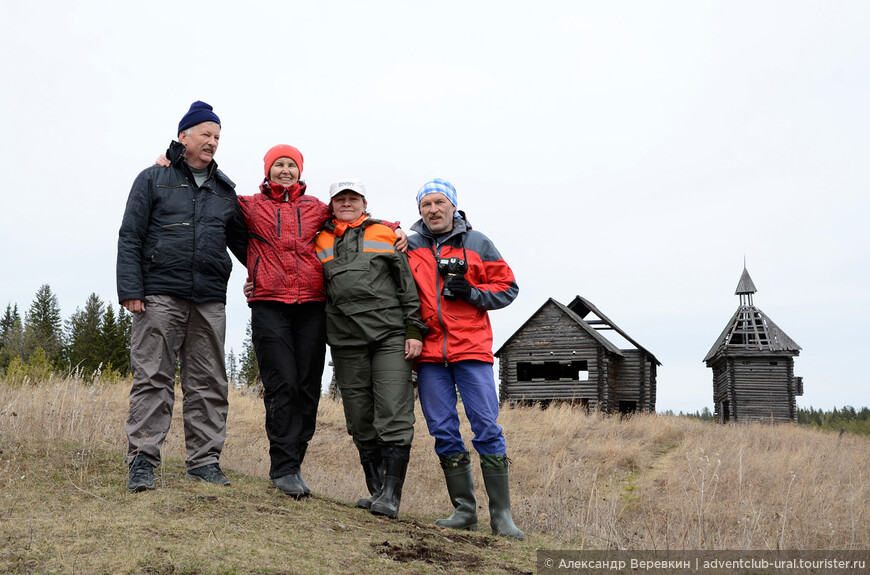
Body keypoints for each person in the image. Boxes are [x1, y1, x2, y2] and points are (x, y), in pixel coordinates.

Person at [238, 148, 407, 498]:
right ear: (267, 170)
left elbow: (354, 218)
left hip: (313, 306)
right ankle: (282, 466)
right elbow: (215, 201)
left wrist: (397, 229)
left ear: (299, 171)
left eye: (291, 165)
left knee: (307, 387)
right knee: (281, 383)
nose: (285, 171)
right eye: (278, 165)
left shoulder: (317, 208)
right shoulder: (250, 205)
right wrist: (252, 268)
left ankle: (295, 463)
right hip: (269, 305)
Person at [117, 101, 247, 492]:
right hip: (159, 295)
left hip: (209, 298)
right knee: (152, 378)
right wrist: (131, 290)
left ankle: (204, 462)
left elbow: (249, 246)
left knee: (209, 382)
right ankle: (142, 460)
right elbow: (130, 236)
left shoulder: (226, 192)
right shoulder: (152, 178)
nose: (212, 142)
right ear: (183, 136)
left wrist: (260, 278)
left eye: (217, 137)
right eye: (205, 134)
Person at [406, 178, 524, 539]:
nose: (433, 210)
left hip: (471, 349)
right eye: (426, 204)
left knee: (486, 427)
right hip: (429, 354)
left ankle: (502, 517)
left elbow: (508, 288)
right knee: (442, 430)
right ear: (420, 211)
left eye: (439, 202)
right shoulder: (409, 246)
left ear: (453, 206)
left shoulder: (478, 243)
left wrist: (472, 292)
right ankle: (464, 511)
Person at [314, 180, 426, 518]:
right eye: (340, 199)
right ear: (331, 205)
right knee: (359, 418)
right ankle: (376, 490)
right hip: (346, 340)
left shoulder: (384, 233)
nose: (347, 203)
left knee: (393, 411)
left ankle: (391, 497)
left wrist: (413, 330)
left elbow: (407, 285)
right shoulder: (318, 239)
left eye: (353, 198)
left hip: (390, 336)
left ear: (364, 202)